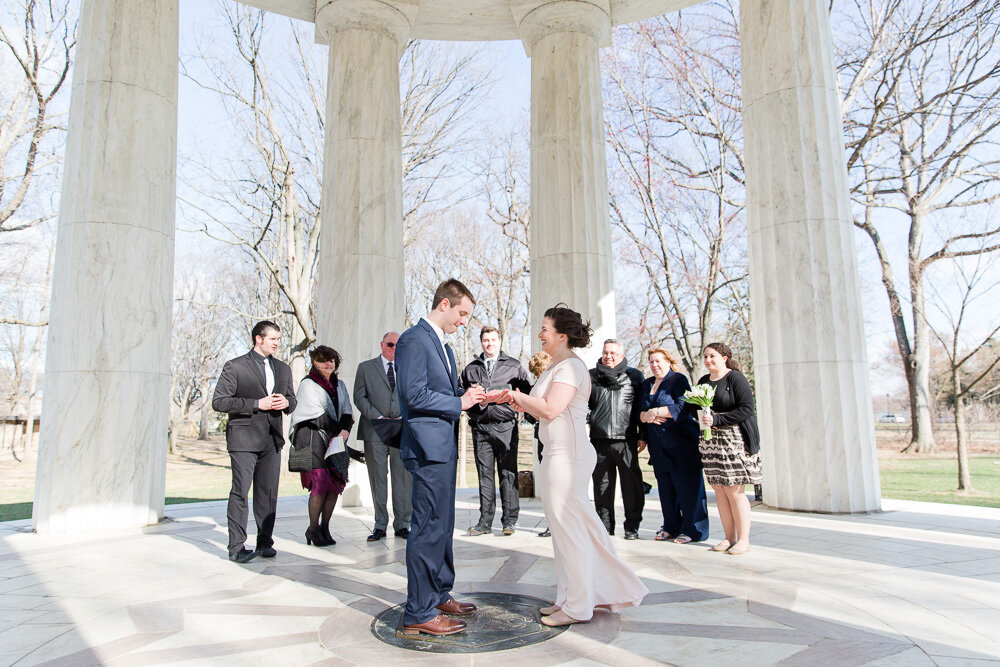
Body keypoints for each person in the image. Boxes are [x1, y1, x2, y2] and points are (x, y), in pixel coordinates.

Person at [501, 305, 647, 627]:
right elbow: (543, 410)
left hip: (569, 457)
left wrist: (516, 395)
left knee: (571, 534)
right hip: (556, 455)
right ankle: (567, 599)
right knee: (567, 533)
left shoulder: (569, 367)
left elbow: (552, 408)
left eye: (544, 329)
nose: (539, 334)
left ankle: (578, 607)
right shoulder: (556, 366)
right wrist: (517, 401)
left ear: (562, 335)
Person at [395, 278, 486, 637]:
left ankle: (438, 592)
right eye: (462, 313)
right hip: (426, 448)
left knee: (443, 524)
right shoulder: (414, 340)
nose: (464, 321)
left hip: (444, 447)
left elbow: (440, 392)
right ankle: (418, 611)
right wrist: (457, 402)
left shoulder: (445, 348)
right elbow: (413, 394)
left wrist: (470, 395)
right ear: (444, 305)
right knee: (427, 527)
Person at [212, 320, 296, 564]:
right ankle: (236, 547)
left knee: (268, 493)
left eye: (279, 339)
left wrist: (287, 403)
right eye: (273, 339)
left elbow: (292, 398)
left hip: (272, 439)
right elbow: (219, 402)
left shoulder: (283, 369)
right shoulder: (235, 366)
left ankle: (264, 542)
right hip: (243, 440)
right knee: (240, 492)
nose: (277, 344)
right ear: (258, 339)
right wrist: (256, 404)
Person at [461, 326, 531, 536]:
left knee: (508, 474)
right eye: (485, 340)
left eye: (493, 339)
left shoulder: (514, 366)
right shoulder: (470, 368)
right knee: (484, 476)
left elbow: (527, 393)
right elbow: (460, 393)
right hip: (480, 428)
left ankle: (509, 521)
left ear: (500, 341)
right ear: (481, 342)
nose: (489, 343)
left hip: (506, 427)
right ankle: (485, 521)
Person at [695, 342, 762, 555]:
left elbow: (746, 410)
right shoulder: (703, 381)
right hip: (710, 440)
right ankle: (728, 537)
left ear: (724, 357)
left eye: (712, 356)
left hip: (733, 439)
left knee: (735, 491)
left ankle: (743, 539)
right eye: (705, 356)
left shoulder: (735, 378)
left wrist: (718, 418)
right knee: (720, 490)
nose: (708, 360)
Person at [638, 348, 708, 544]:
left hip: (682, 444)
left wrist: (657, 411)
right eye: (651, 361)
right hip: (658, 447)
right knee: (666, 490)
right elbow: (640, 413)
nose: (655, 365)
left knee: (688, 489)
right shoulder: (646, 384)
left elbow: (683, 407)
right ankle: (670, 527)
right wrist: (647, 415)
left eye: (659, 361)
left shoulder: (678, 380)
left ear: (668, 362)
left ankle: (693, 530)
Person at [289, 346, 356, 547]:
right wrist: (338, 430)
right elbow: (317, 416)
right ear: (315, 362)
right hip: (314, 439)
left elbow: (346, 411)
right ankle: (313, 528)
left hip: (336, 440)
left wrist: (345, 430)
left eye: (332, 361)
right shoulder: (308, 384)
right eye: (323, 360)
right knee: (320, 484)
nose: (328, 364)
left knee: (335, 485)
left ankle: (325, 527)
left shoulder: (340, 385)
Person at [354, 332, 412, 542]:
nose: (393, 348)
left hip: (401, 429)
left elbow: (413, 395)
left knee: (403, 478)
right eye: (390, 344)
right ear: (381, 345)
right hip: (374, 429)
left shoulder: (407, 367)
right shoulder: (365, 368)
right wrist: (377, 417)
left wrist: (403, 416)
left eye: (398, 345)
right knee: (378, 477)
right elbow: (359, 397)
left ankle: (402, 524)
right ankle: (380, 524)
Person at [588, 339, 646, 539]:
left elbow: (641, 408)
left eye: (613, 353)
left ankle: (632, 526)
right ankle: (605, 527)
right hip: (599, 439)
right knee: (602, 486)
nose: (608, 356)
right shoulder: (591, 376)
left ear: (621, 356)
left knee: (631, 485)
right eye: (605, 352)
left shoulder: (634, 376)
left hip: (626, 439)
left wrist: (642, 435)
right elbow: (584, 405)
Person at [527, 351, 552, 538]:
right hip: (542, 437)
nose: (538, 377)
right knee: (547, 483)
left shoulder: (556, 384)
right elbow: (530, 416)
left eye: (540, 372)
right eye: (536, 374)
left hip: (556, 438)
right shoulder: (537, 385)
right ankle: (551, 523)